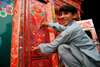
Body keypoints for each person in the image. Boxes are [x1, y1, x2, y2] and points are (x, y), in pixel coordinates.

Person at [32, 4, 100, 67]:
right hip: (90, 58)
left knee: (62, 48)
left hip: (91, 62)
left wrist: (39, 47)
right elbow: (62, 28)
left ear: (74, 15)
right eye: (61, 14)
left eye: (66, 13)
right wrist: (49, 24)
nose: (62, 17)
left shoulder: (71, 30)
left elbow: (54, 45)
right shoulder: (73, 26)